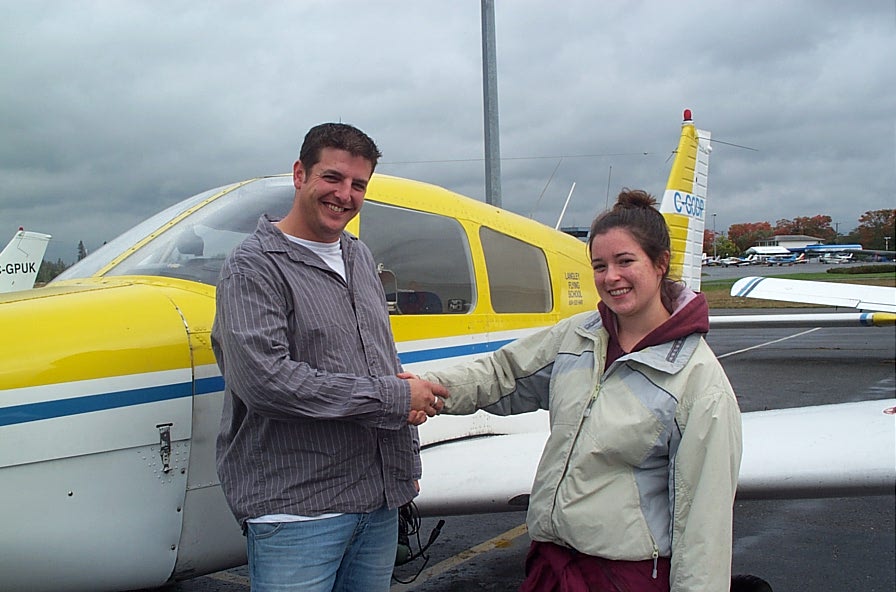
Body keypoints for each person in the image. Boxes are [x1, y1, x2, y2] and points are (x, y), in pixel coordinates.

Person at [418, 190, 743, 591]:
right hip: (553, 566)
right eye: (599, 266)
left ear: (661, 265)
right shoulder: (577, 336)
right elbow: (503, 374)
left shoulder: (699, 383)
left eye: (626, 261)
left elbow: (703, 524)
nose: (611, 277)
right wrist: (422, 390)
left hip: (624, 578)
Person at [211, 122, 447, 592]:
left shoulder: (359, 257)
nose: (345, 194)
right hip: (298, 511)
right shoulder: (253, 266)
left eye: (358, 185)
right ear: (300, 174)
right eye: (332, 178)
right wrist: (397, 399)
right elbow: (266, 382)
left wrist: (401, 470)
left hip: (375, 504)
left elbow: (381, 362)